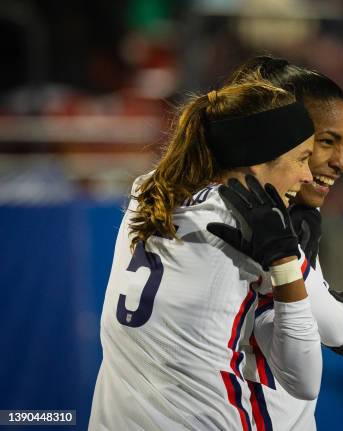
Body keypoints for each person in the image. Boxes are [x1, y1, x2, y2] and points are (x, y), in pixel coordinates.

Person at [89, 77, 324, 430]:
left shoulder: (149, 189)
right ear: (259, 160)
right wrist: (288, 261)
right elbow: (306, 379)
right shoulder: (257, 230)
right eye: (302, 158)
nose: (308, 175)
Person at [225, 56, 343, 430]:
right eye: (326, 142)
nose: (342, 163)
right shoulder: (256, 222)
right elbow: (334, 330)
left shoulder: (288, 214)